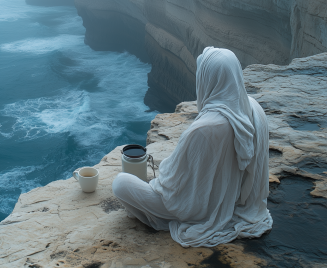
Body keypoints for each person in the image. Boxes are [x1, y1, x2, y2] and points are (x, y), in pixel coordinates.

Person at [112, 46, 272, 247]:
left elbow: (174, 190)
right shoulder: (254, 108)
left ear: (208, 79)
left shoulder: (204, 129)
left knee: (120, 183)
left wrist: (160, 178)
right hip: (241, 202)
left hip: (200, 210)